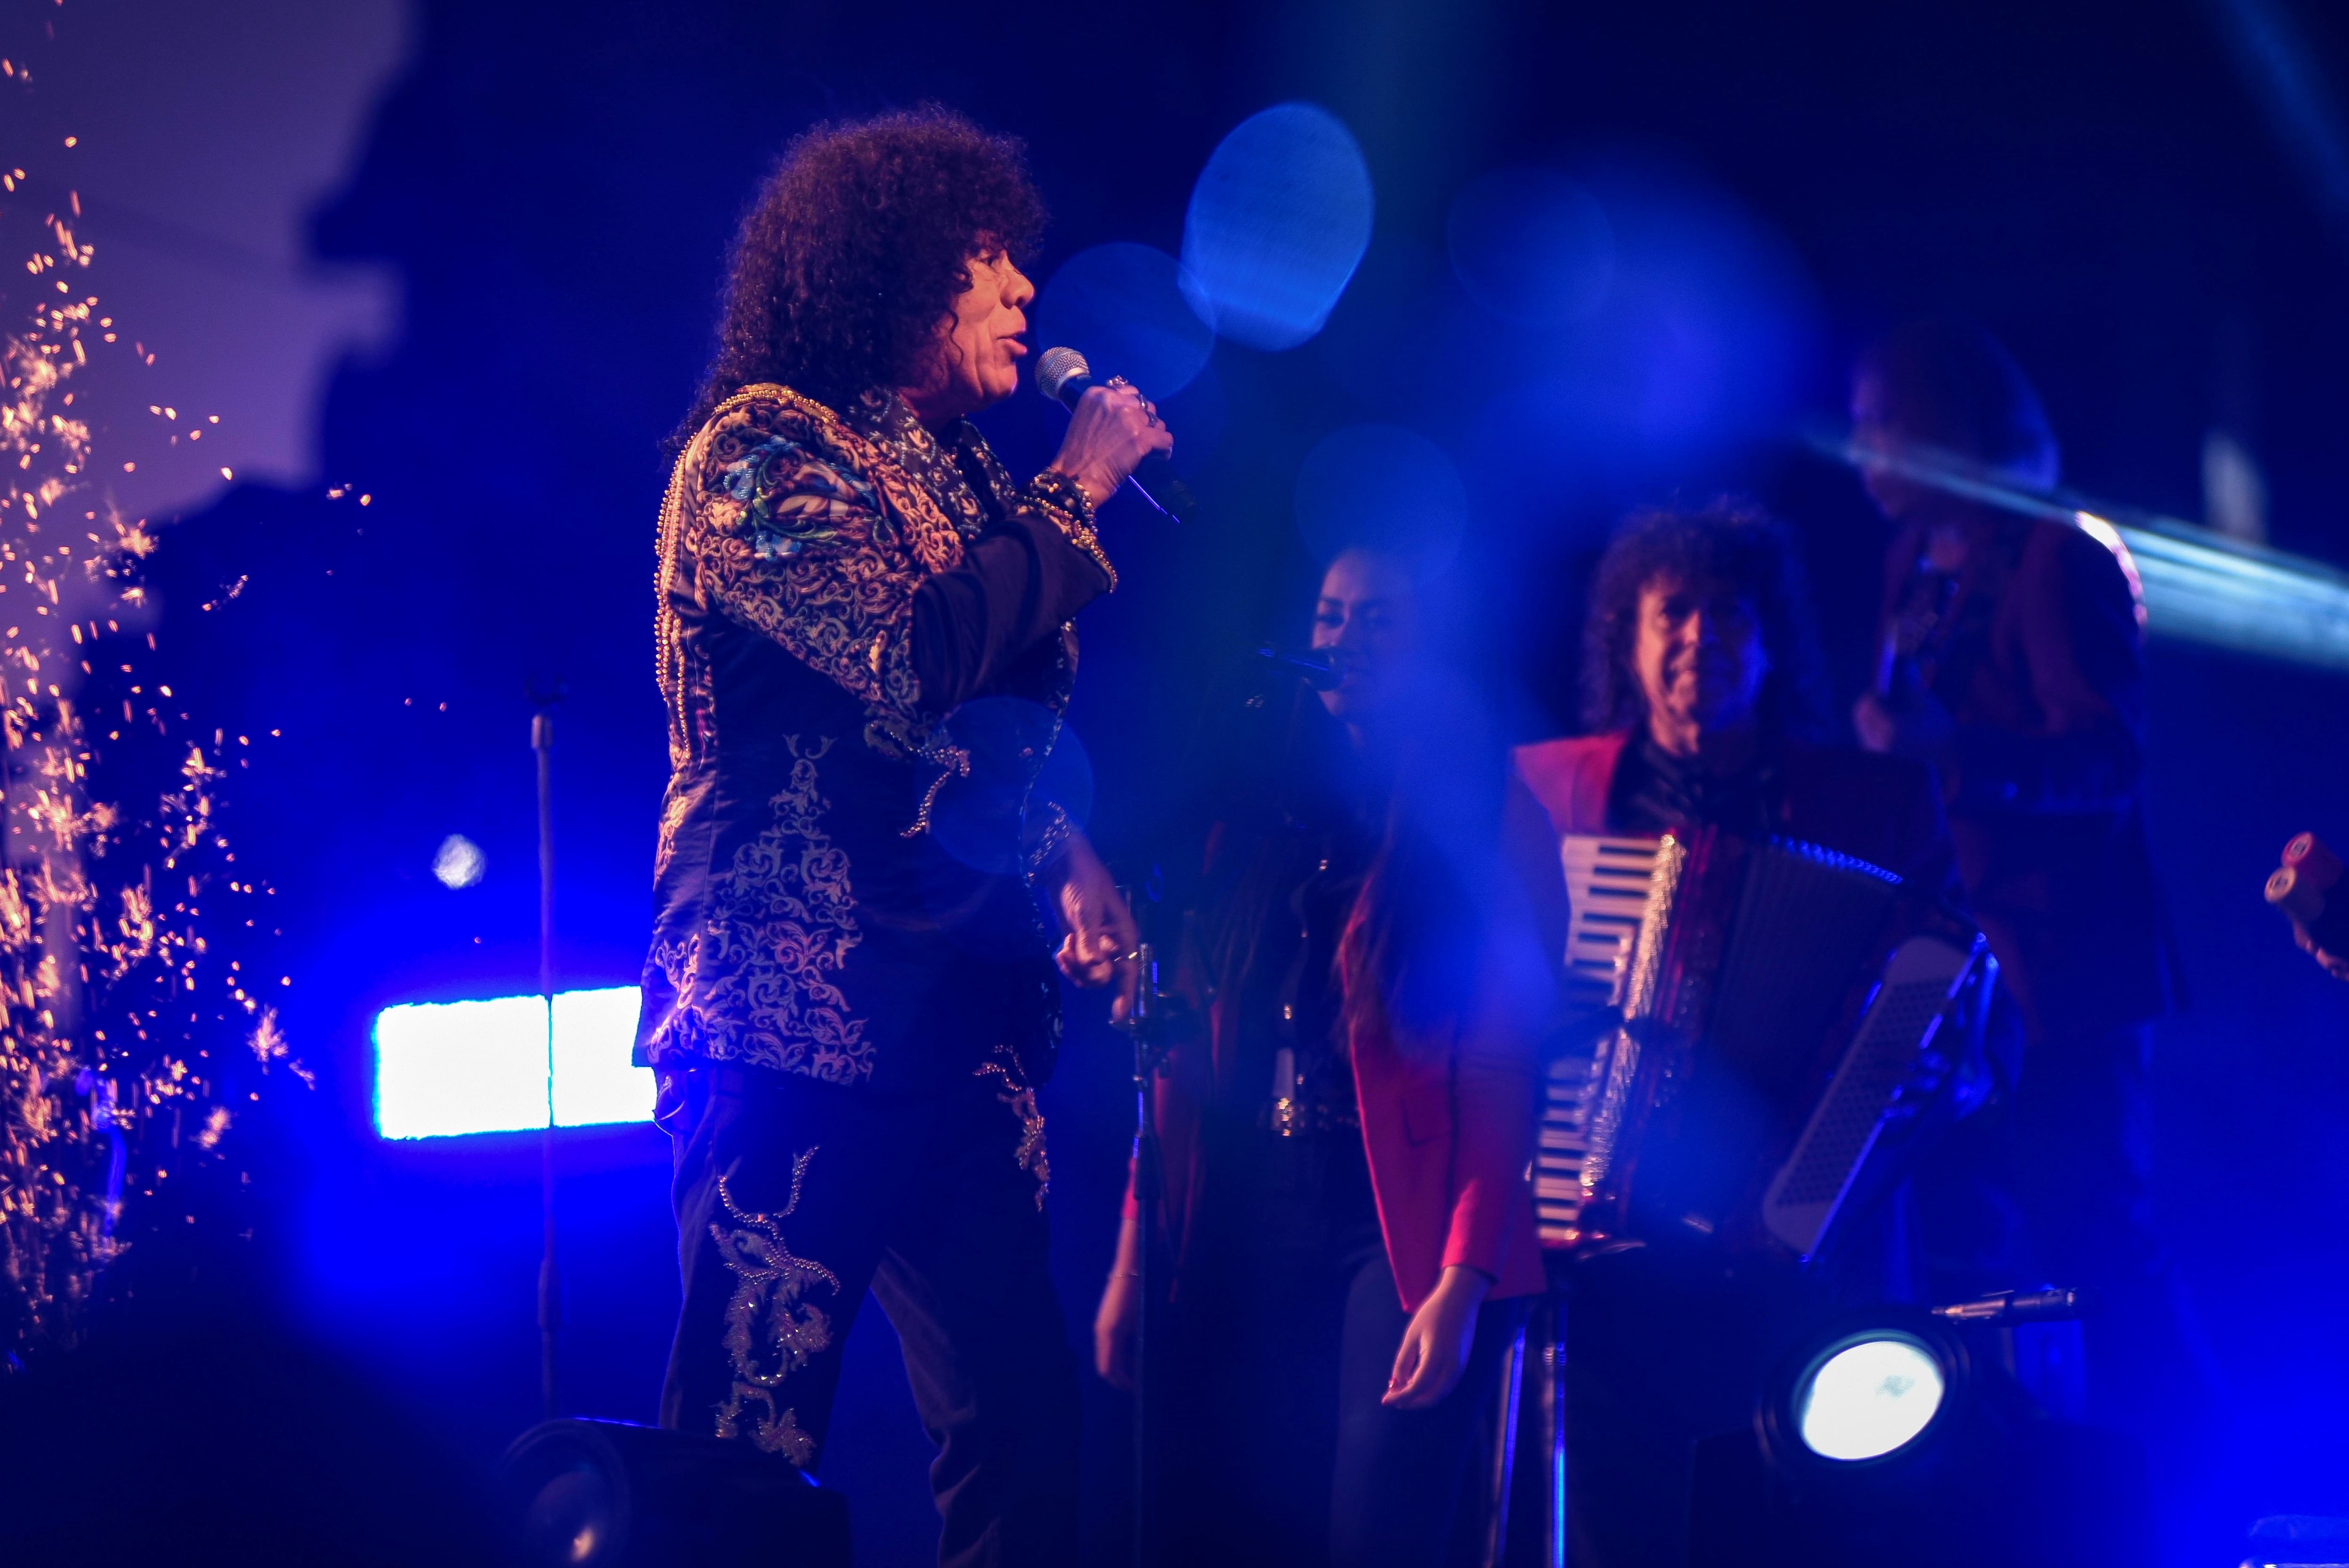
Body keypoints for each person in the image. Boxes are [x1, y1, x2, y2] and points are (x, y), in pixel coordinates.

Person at [635, 108, 1167, 1568]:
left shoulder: (966, 480)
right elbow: (903, 658)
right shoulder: (759, 461)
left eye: (1022, 266)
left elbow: (983, 734)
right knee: (750, 1434)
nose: (1024, 296)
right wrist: (1082, 489)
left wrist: (1069, 853)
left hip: (958, 1028)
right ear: (896, 277)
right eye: (988, 265)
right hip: (791, 1020)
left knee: (1024, 1424)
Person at [1091, 544, 1555, 1568]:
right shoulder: (1256, 816)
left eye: (1380, 619)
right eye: (1332, 617)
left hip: (1400, 1221)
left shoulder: (1483, 811)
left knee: (1372, 1531)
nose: (1346, 641)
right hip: (1255, 1201)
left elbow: (1500, 1069)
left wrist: (1465, 1279)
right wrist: (1134, 1255)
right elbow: (1183, 1050)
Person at [1513, 500, 1956, 1568]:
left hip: (1801, 1243)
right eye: (1673, 614)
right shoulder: (1560, 789)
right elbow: (1492, 996)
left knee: (1790, 1523)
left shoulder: (1873, 801)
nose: (1700, 640)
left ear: (1770, 641)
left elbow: (1964, 1021)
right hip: (1611, 1240)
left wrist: (1924, 1071)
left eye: (1729, 616)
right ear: (1627, 635)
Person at [1844, 319, 2199, 1456]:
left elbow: (2110, 760)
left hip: (2069, 979)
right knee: (1981, 1253)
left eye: (1881, 424)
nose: (1860, 452)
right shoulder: (1912, 564)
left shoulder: (2057, 557)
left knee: (2096, 1240)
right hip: (1965, 973)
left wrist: (1953, 748)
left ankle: (2181, 1478)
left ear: (1947, 432)